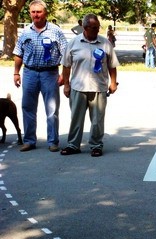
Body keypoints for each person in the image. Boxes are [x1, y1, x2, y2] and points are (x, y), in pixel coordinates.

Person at [60, 13, 119, 157]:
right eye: (94, 28)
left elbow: (112, 65)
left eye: (98, 27)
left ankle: (96, 145)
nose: (97, 30)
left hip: (99, 88)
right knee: (76, 119)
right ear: (85, 28)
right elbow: (66, 66)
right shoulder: (73, 43)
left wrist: (113, 82)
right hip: (78, 87)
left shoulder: (105, 43)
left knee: (97, 120)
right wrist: (66, 85)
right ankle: (73, 145)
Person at [13, 0, 67, 152]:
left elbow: (66, 54)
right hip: (29, 73)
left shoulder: (56, 31)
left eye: (39, 12)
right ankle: (29, 141)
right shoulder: (25, 31)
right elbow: (18, 53)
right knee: (27, 107)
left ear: (46, 13)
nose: (36, 15)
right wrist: (16, 72)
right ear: (30, 13)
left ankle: (52, 141)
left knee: (52, 109)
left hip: (50, 74)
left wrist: (64, 74)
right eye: (33, 12)